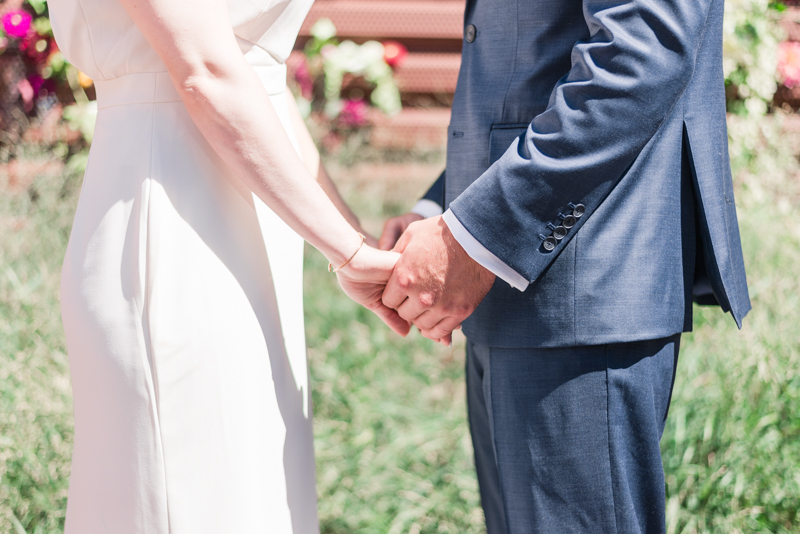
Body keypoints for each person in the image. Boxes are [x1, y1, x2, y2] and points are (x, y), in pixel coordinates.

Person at [379, 0, 751, 531]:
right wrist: (444, 212)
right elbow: (529, 57)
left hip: (584, 283)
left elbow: (641, 52)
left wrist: (475, 235)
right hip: (509, 276)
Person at [51, 0, 408, 532]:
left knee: (255, 499)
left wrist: (357, 243)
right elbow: (205, 72)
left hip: (252, 236)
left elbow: (260, 82)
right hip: (173, 224)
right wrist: (350, 255)